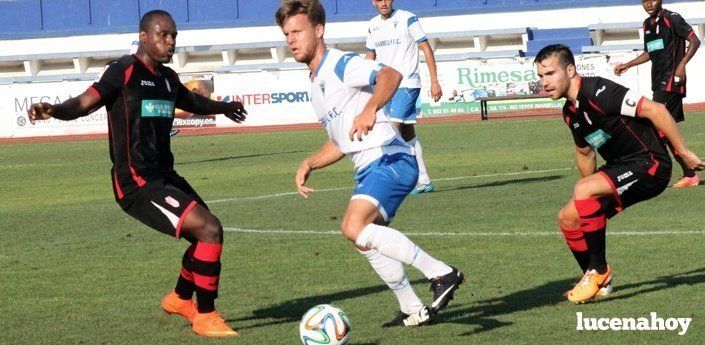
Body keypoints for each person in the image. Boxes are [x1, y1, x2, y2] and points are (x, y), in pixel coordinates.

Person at [27, 10, 247, 337]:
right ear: (144, 37)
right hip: (136, 182)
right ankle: (205, 316)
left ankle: (180, 298)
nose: (170, 41)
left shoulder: (168, 78)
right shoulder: (123, 72)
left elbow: (195, 104)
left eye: (173, 36)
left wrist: (225, 107)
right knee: (209, 229)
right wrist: (55, 110)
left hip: (165, 176)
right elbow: (84, 103)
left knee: (208, 234)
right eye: (163, 35)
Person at [275, 0, 464, 327]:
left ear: (318, 30)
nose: (291, 39)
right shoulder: (314, 85)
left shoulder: (341, 64)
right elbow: (340, 140)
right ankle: (410, 306)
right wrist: (310, 162)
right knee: (364, 238)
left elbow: (391, 75)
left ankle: (442, 273)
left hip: (390, 157)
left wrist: (371, 109)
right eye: (286, 33)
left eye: (298, 31)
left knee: (352, 225)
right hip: (371, 167)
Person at [535, 44, 704, 304]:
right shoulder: (570, 112)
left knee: (584, 192)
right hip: (621, 167)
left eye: (549, 74)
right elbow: (585, 154)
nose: (544, 82)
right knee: (569, 218)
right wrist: (586, 198)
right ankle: (598, 282)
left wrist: (683, 152)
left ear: (570, 70)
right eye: (540, 76)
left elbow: (656, 110)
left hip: (651, 164)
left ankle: (598, 271)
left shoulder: (598, 91)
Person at [614, 0, 701, 188]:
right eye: (645, 1)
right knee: (664, 131)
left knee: (658, 128)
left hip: (671, 83)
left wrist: (681, 65)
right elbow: (649, 53)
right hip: (658, 83)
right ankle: (689, 173)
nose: (649, 4)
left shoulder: (672, 18)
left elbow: (695, 40)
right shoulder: (647, 25)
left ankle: (678, 172)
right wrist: (628, 64)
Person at [365, 0, 442, 195]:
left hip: (407, 83)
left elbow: (426, 48)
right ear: (373, 2)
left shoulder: (407, 18)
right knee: (407, 135)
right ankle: (423, 180)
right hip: (386, 86)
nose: (383, 3)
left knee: (391, 131)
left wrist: (434, 81)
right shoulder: (372, 24)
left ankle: (392, 180)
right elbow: (369, 57)